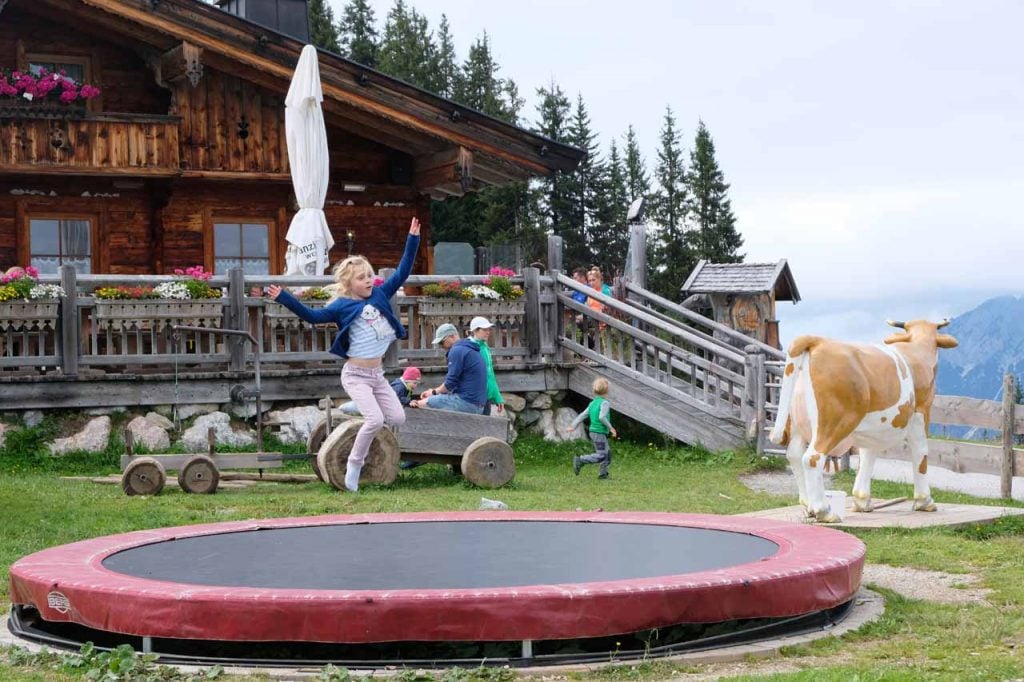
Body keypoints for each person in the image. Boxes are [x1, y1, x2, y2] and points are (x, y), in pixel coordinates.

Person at [267, 217, 421, 492]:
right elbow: (313, 317)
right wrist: (284, 297)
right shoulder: (341, 305)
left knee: (397, 419)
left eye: (370, 276)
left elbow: (402, 271)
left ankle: (356, 408)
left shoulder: (380, 294)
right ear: (349, 283)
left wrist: (412, 239)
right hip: (356, 376)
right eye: (362, 278)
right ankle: (354, 464)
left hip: (377, 376)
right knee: (374, 420)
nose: (369, 281)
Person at [410, 322, 488, 414]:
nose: (442, 346)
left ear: (452, 336)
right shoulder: (469, 348)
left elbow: (450, 383)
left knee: (420, 403)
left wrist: (433, 392)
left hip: (467, 402)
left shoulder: (457, 350)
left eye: (442, 342)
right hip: (478, 405)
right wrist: (434, 392)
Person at [565, 377, 618, 479]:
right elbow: (602, 417)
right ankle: (580, 460)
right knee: (602, 454)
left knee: (607, 453)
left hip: (594, 432)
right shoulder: (604, 403)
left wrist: (573, 425)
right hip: (599, 433)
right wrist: (611, 428)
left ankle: (603, 474)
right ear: (607, 390)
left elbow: (582, 415)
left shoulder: (593, 403)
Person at [339, 365, 421, 415]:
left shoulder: (406, 386)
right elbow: (396, 398)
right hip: (377, 403)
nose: (416, 385)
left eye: (417, 383)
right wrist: (408, 401)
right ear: (407, 380)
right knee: (360, 407)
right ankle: (343, 408)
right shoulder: (399, 387)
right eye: (414, 383)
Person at [468, 316, 505, 415]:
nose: (488, 332)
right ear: (475, 330)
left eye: (488, 329)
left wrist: (497, 397)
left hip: (486, 398)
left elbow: (490, 375)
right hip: (473, 399)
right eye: (484, 330)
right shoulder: (468, 348)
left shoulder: (485, 348)